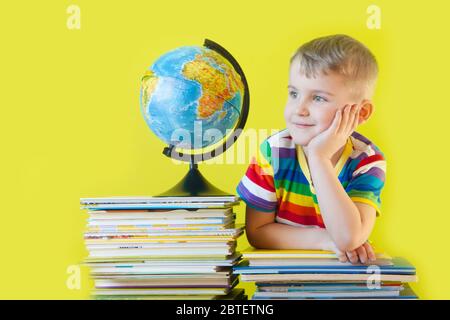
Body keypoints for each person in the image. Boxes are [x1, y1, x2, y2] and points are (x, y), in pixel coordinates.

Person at [236, 34, 386, 264]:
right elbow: (257, 232)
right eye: (294, 93)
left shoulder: (366, 161)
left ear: (361, 113)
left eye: (318, 98)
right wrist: (325, 240)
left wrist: (319, 158)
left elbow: (348, 238)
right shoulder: (272, 153)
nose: (300, 109)